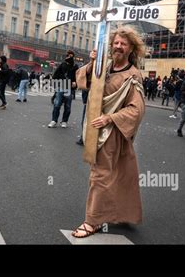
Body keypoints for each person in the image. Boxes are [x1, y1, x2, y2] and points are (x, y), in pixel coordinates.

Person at [72, 26, 146, 238]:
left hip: (112, 132)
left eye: (123, 43)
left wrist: (110, 117)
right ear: (111, 45)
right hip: (96, 126)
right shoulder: (103, 67)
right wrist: (92, 63)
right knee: (120, 175)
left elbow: (136, 109)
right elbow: (82, 82)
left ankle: (92, 221)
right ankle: (121, 213)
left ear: (131, 47)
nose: (119, 46)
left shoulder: (133, 75)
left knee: (100, 175)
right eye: (116, 43)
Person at [47, 50, 78, 128]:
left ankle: (64, 121)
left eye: (71, 56)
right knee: (57, 104)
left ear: (73, 57)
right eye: (68, 55)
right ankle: (54, 120)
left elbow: (78, 77)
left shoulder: (75, 66)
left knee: (67, 106)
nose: (69, 57)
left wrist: (75, 82)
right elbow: (55, 75)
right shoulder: (62, 64)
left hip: (69, 88)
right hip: (61, 86)